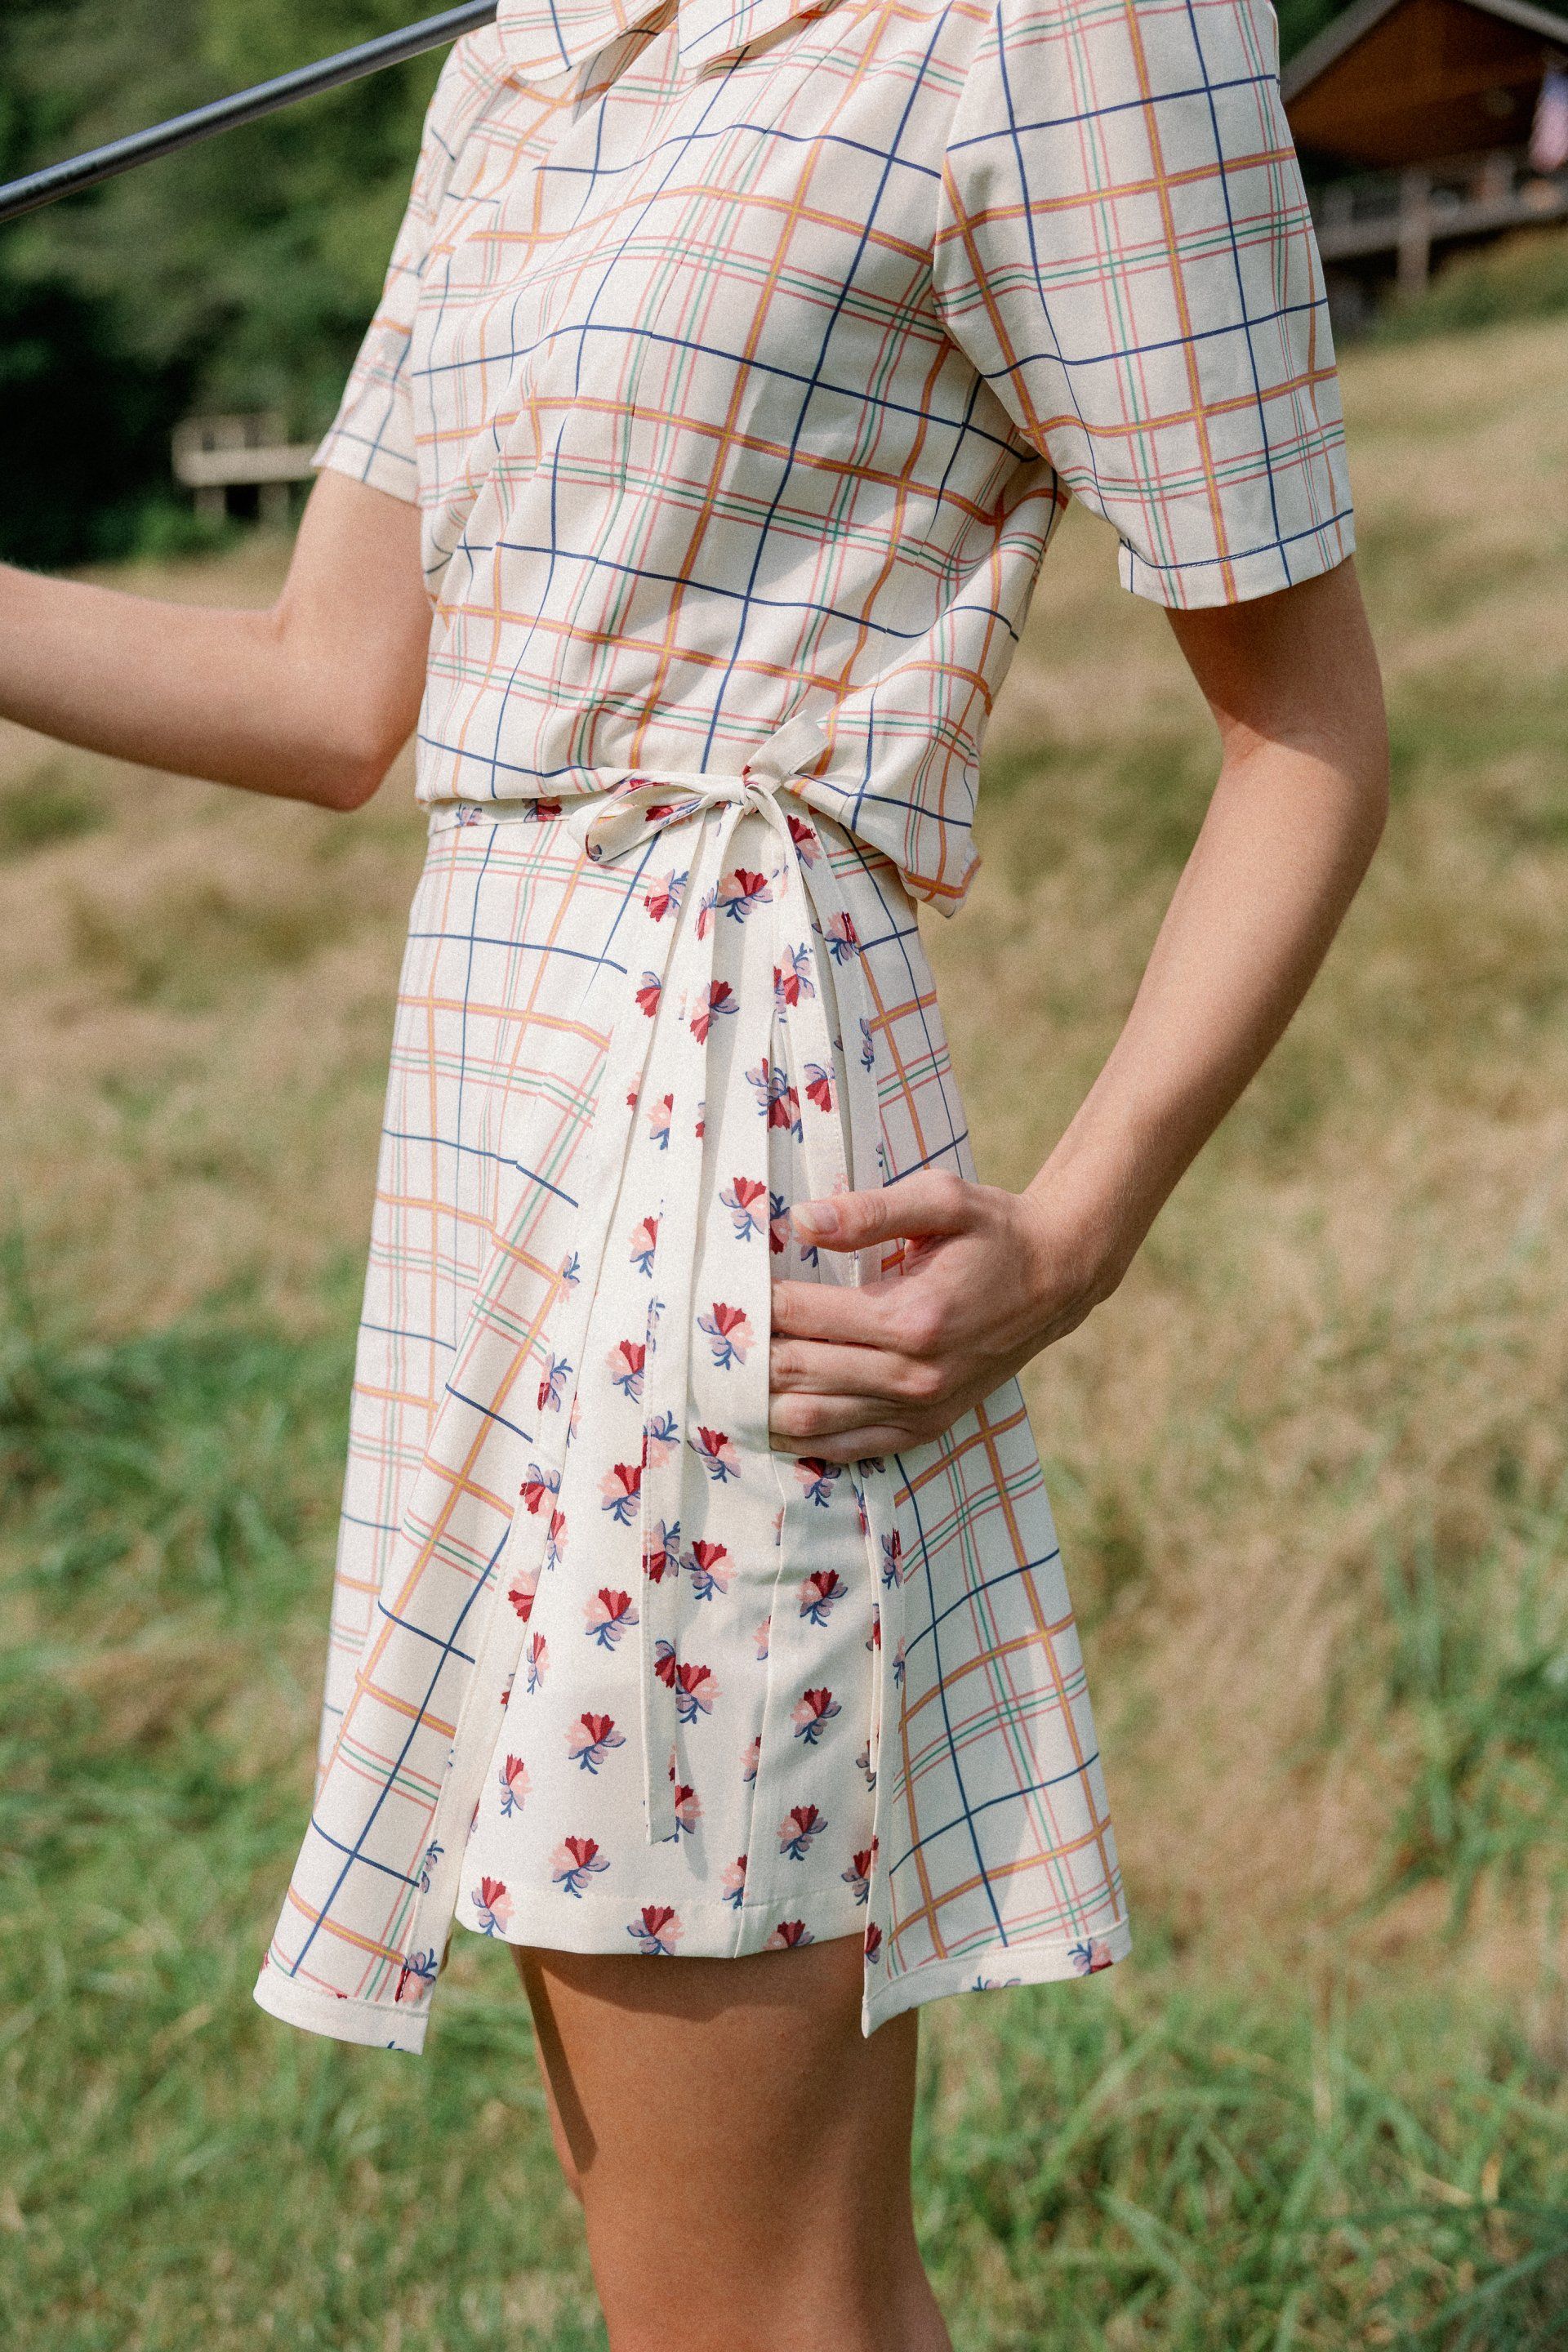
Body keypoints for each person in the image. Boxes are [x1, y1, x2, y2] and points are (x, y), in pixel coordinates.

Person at [0, 0, 1388, 2342]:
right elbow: (337, 690)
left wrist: (1078, 1227)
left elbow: (1312, 723)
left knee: (740, 2296)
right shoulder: (525, 56)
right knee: (759, 2279)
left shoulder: (1063, 29)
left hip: (725, 1140)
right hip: (492, 1146)